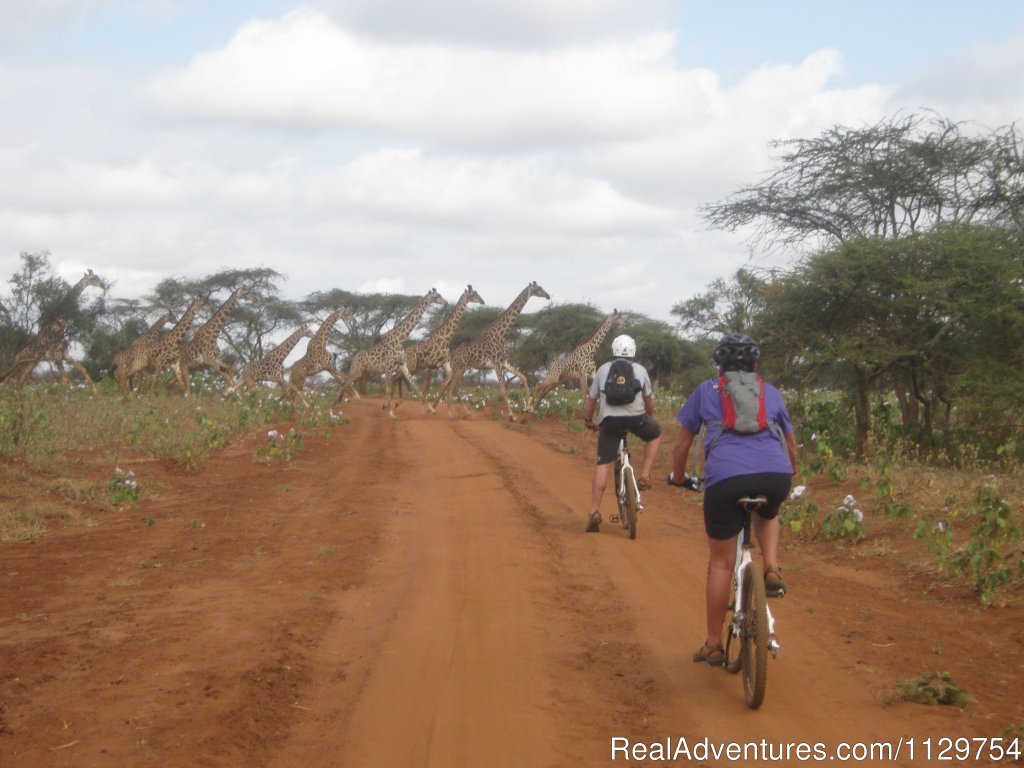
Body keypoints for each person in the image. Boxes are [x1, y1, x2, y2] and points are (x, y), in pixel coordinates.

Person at [667, 333, 799, 666]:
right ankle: (770, 567)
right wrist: (788, 474)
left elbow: (682, 445)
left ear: (719, 365)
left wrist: (679, 478)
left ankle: (713, 644)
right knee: (768, 510)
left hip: (725, 479)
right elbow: (791, 444)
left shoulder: (704, 391)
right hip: (775, 474)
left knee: (721, 563)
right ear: (755, 365)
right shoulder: (771, 391)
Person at [582, 334, 662, 533]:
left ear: (613, 350)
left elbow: (591, 400)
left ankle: (594, 512)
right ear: (633, 351)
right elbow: (648, 399)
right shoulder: (641, 370)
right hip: (637, 419)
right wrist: (650, 417)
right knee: (655, 434)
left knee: (603, 464)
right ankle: (644, 475)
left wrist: (589, 420)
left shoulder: (603, 370)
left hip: (609, 422)